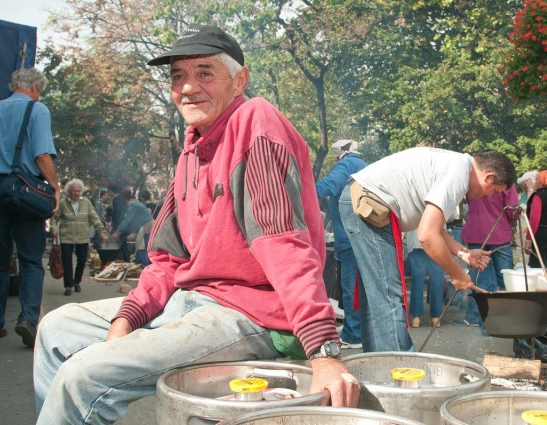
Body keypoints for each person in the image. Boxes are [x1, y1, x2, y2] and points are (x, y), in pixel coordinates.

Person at [34, 24, 359, 423]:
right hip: (191, 300)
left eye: (205, 72)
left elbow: (282, 242)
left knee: (82, 377)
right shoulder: (191, 148)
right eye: (178, 76)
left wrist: (323, 350)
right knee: (55, 329)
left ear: (240, 80)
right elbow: (166, 258)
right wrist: (128, 316)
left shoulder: (255, 122)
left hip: (249, 313)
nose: (188, 87)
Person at [339, 148, 516, 352]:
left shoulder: (458, 166)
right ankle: (399, 365)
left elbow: (434, 227)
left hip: (365, 198)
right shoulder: (458, 176)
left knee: (377, 295)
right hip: (368, 202)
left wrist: (463, 253)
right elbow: (427, 236)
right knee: (388, 294)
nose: (489, 196)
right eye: (494, 191)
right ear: (489, 177)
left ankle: (378, 362)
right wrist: (457, 274)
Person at [0, 67, 60, 347]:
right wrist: (55, 187)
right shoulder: (37, 110)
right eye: (40, 91)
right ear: (34, 86)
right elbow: (41, 155)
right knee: (31, 261)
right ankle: (28, 319)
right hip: (25, 192)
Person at [315, 139, 367, 349]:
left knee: (351, 287)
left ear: (339, 156)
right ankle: (356, 330)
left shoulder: (348, 164)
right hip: (361, 237)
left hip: (350, 238)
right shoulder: (362, 165)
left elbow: (327, 186)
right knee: (358, 287)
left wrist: (300, 194)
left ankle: (353, 335)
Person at [452, 187, 519, 329]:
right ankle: (506, 319)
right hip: (500, 232)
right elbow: (513, 210)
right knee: (505, 280)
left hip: (476, 231)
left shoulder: (474, 179)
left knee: (479, 280)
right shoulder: (506, 182)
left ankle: (479, 319)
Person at [52, 179, 108, 296]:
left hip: (82, 237)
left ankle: (77, 281)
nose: (77, 193)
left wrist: (102, 232)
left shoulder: (86, 202)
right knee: (67, 261)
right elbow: (55, 218)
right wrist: (54, 228)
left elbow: (94, 218)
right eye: (74, 191)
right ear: (69, 191)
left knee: (82, 260)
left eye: (78, 191)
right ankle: (68, 286)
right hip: (67, 237)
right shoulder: (63, 203)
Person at [403, 230, 445, 329]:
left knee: (417, 282)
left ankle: (416, 318)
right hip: (436, 247)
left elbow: (405, 237)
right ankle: (436, 318)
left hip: (416, 247)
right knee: (437, 281)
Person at [111, 191, 153, 267]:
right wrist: (135, 232)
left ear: (123, 199)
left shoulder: (132, 205)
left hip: (146, 226)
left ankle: (145, 267)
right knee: (140, 247)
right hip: (147, 225)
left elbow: (127, 220)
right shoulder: (136, 203)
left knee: (141, 248)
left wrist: (117, 232)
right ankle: (138, 266)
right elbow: (136, 220)